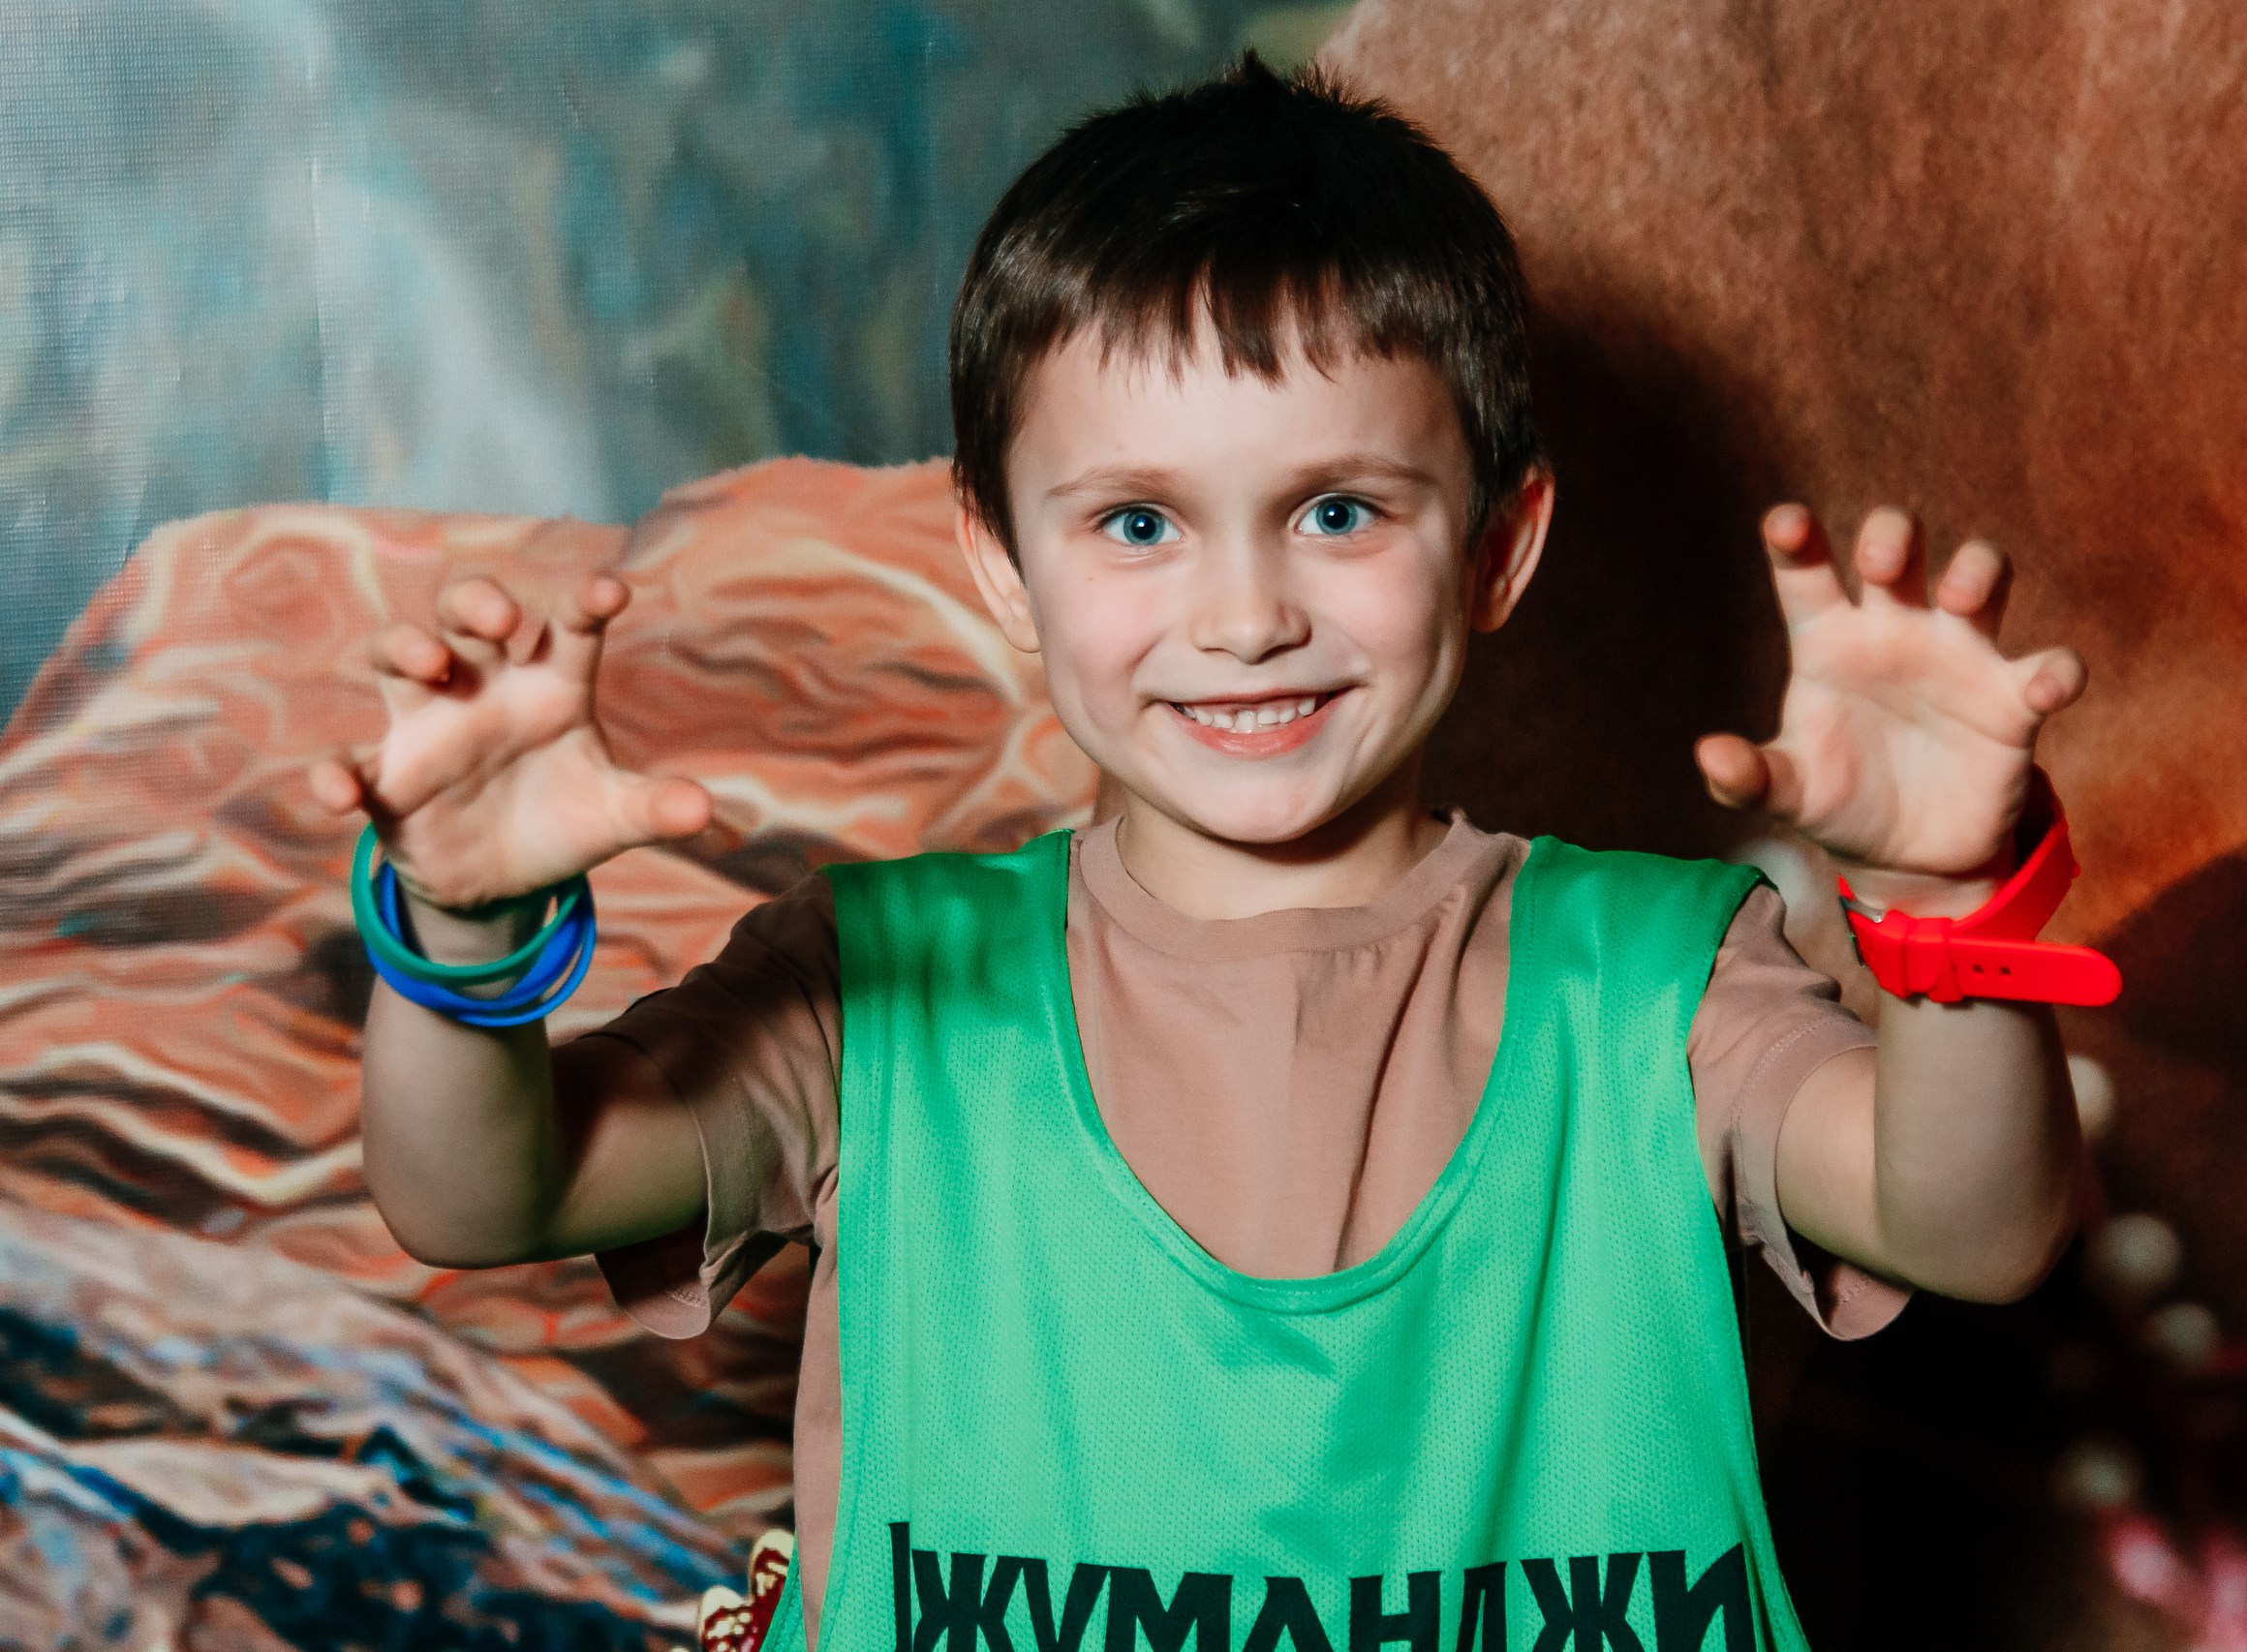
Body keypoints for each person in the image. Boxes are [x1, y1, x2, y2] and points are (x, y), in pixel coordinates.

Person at [310, 57, 2096, 1652]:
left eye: (1338, 510)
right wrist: (462, 935)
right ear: (1004, 560)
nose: (1245, 616)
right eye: (1139, 522)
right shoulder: (874, 986)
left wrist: (1951, 911)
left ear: (1498, 543)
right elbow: (482, 1195)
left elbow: (1976, 1224)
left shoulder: (1662, 980)